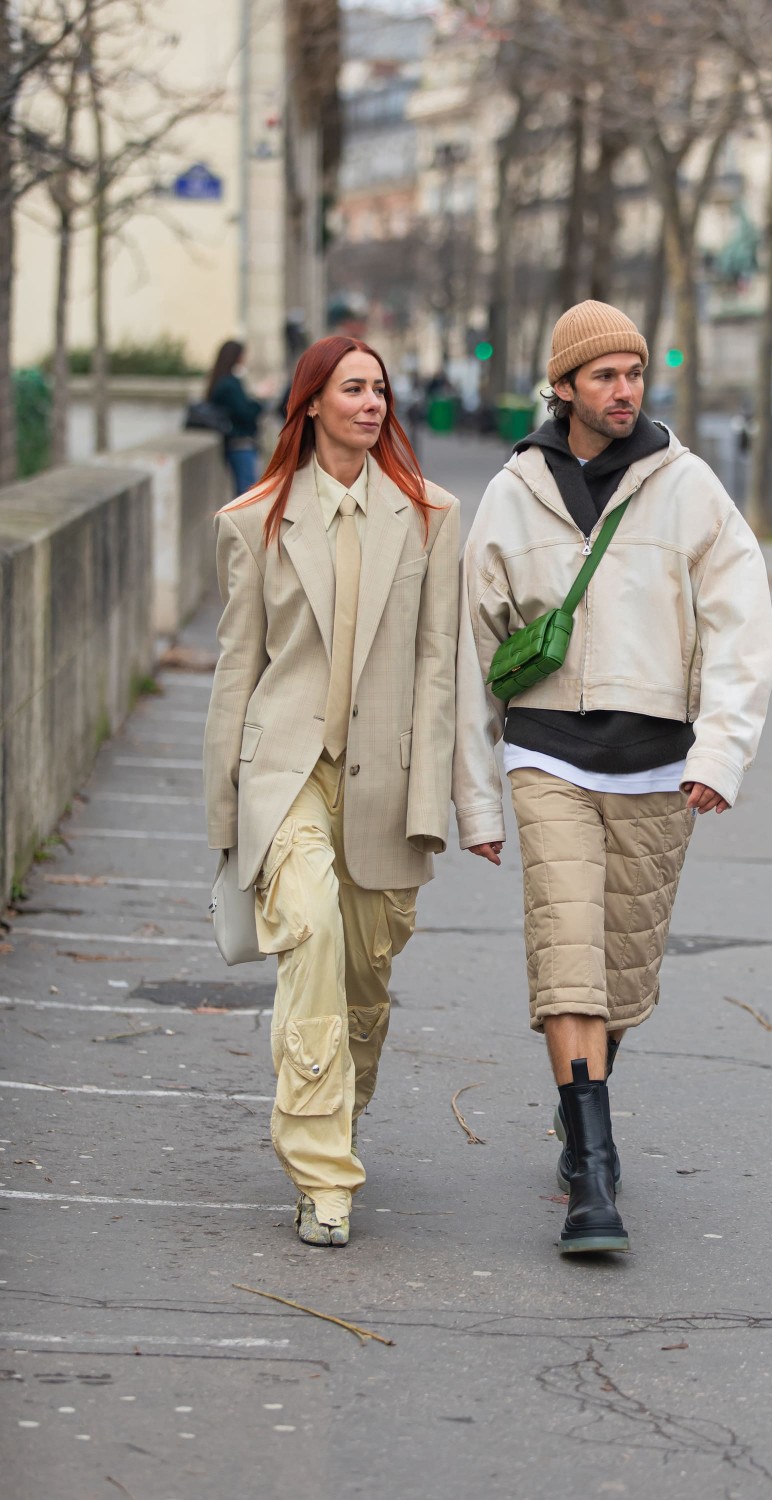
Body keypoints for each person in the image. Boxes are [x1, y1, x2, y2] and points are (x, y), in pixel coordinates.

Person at [453, 300, 772, 1256]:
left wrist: (720, 753)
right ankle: (593, 1178)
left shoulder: (689, 488)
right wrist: (477, 797)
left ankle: (576, 1112)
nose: (624, 388)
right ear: (563, 387)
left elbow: (744, 630)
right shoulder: (514, 492)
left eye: (633, 372)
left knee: (621, 975)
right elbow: (469, 654)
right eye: (604, 375)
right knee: (569, 956)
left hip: (659, 766)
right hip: (547, 752)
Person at [203, 336, 460, 1247]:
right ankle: (322, 1174)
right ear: (311, 402)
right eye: (353, 388)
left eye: (379, 388)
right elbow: (237, 671)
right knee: (308, 928)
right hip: (286, 772)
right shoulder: (254, 520)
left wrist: (433, 805)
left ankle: (340, 1114)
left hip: (387, 782)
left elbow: (438, 670)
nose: (371, 402)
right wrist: (226, 817)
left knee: (362, 988)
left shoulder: (430, 516)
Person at [205, 339, 263, 496]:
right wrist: (258, 401)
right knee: (247, 495)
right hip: (239, 445)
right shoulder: (229, 384)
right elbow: (245, 413)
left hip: (235, 444)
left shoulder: (220, 380)